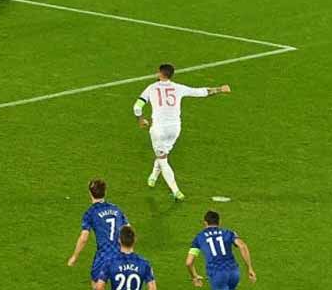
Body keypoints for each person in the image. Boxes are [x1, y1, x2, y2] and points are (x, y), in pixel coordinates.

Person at [133, 64, 231, 200]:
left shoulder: (151, 88)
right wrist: (220, 89)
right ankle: (154, 176)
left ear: (159, 74)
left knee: (163, 159)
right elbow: (201, 92)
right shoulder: (178, 88)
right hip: (175, 128)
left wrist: (141, 119)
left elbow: (137, 106)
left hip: (159, 129)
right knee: (163, 153)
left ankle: (176, 190)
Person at [67, 179, 130, 290]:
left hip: (104, 255)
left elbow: (84, 238)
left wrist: (74, 256)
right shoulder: (116, 209)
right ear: (105, 192)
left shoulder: (90, 212)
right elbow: (128, 230)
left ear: (90, 193)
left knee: (96, 283)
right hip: (121, 254)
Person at [186, 211, 256, 290]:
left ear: (205, 223)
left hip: (217, 274)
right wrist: (250, 268)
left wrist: (194, 276)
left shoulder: (199, 237)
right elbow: (242, 246)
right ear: (219, 222)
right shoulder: (228, 233)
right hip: (234, 272)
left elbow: (189, 263)